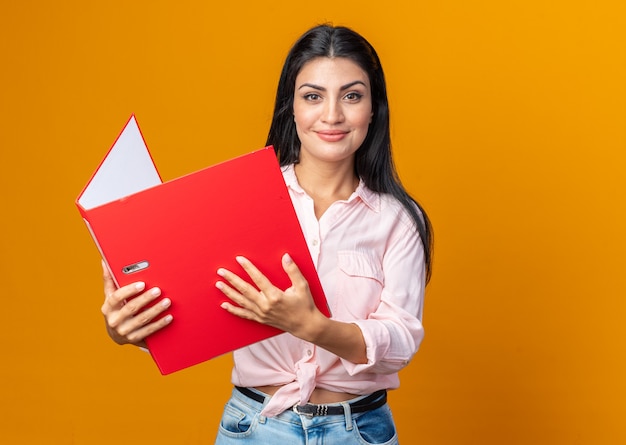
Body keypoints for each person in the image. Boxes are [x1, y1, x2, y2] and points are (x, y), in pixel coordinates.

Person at [101, 24, 433, 444]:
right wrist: (131, 329)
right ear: (290, 108)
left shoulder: (398, 219)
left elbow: (401, 342)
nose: (332, 115)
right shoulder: (242, 200)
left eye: (352, 95)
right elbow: (199, 312)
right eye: (313, 96)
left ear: (374, 109)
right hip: (253, 429)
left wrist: (311, 326)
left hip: (357, 432)